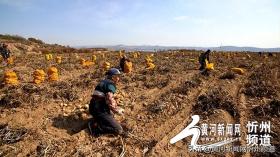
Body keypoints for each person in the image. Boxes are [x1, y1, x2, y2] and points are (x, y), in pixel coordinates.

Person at [88, 68, 124, 137]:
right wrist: (117, 110)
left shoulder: (104, 82)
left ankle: (96, 121)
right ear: (113, 77)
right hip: (99, 109)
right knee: (118, 130)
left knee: (111, 115)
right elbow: (109, 99)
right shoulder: (111, 84)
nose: (119, 78)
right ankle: (95, 128)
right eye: (118, 76)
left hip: (93, 108)